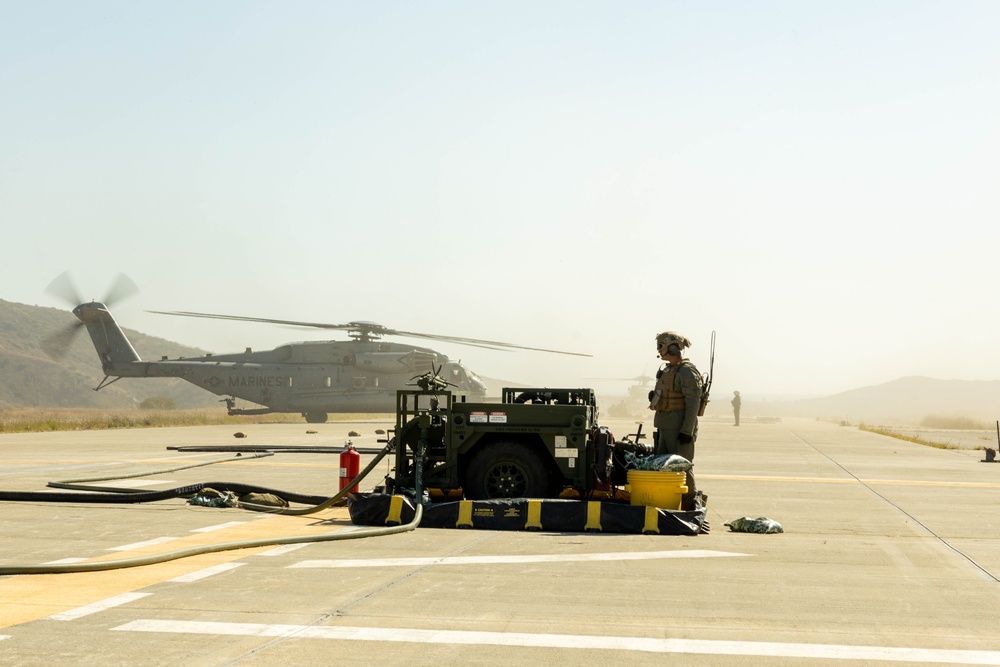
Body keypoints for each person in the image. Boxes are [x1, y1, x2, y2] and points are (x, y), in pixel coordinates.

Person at [648, 331, 703, 510]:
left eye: (661, 346)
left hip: (678, 428)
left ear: (672, 347)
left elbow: (693, 403)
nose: (659, 350)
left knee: (682, 468)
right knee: (662, 468)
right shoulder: (667, 370)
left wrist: (687, 430)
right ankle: (668, 506)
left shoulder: (686, 371)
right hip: (664, 425)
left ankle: (690, 509)